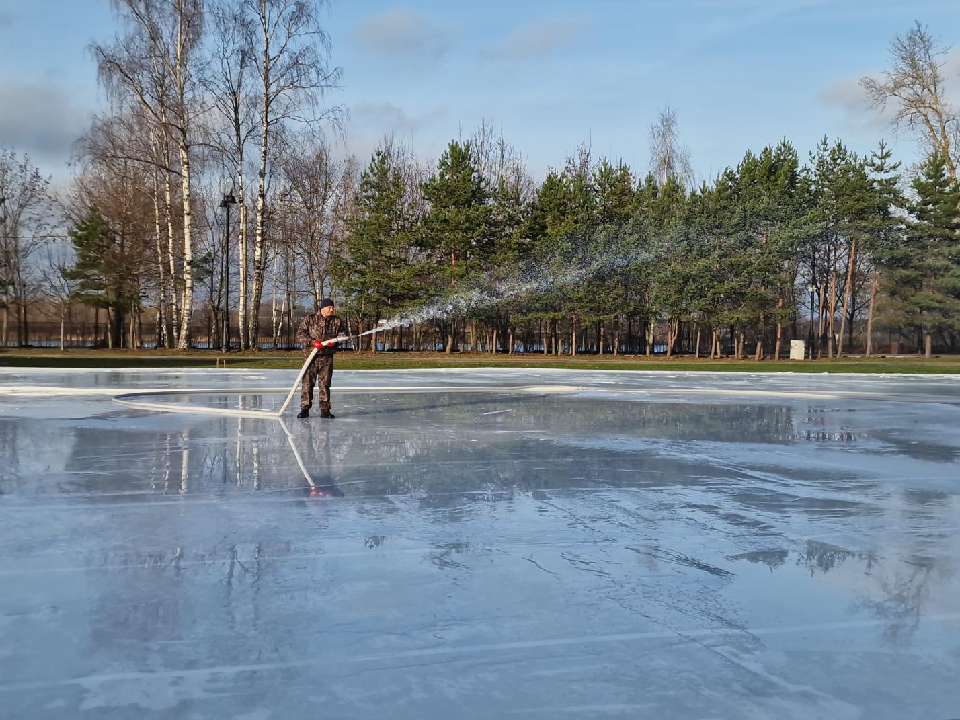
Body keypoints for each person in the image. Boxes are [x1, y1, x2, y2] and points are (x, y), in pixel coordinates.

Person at [295, 298, 345, 419]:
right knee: (307, 383)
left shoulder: (337, 321)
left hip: (327, 358)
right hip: (311, 357)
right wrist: (313, 342)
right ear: (323, 308)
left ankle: (325, 410)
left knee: (325, 384)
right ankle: (304, 409)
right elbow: (300, 334)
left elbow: (343, 335)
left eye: (332, 307)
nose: (332, 309)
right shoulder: (310, 319)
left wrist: (335, 342)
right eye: (329, 307)